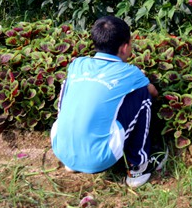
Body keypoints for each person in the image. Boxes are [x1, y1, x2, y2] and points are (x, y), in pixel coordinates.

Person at [51, 16, 165, 188]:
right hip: (100, 158)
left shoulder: (78, 64)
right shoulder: (130, 72)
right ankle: (138, 166)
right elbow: (154, 93)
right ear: (125, 47)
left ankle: (73, 159)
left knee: (69, 84)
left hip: (61, 149)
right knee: (142, 94)